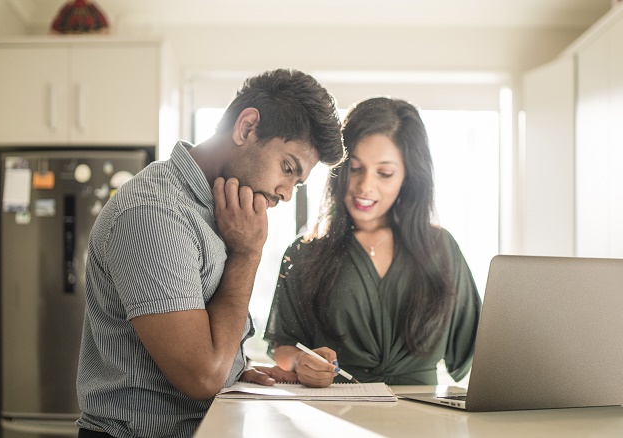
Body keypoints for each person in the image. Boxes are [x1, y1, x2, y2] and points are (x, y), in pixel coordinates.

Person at [76, 68, 346, 438]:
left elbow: (211, 353)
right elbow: (202, 377)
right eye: (287, 168)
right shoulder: (153, 215)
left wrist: (238, 373)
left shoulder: (220, 211)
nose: (285, 193)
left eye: (297, 184)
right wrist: (248, 255)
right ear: (247, 127)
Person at [264, 97, 481, 388]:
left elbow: (482, 350)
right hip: (337, 416)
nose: (366, 186)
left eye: (385, 173)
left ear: (408, 177)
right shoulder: (306, 252)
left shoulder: (441, 248)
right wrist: (301, 362)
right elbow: (284, 348)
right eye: (355, 168)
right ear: (339, 169)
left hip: (426, 420)